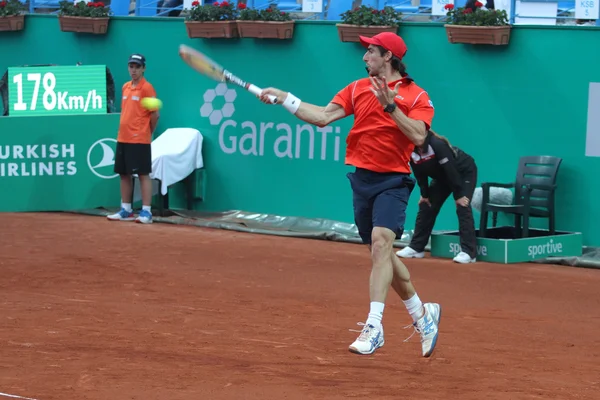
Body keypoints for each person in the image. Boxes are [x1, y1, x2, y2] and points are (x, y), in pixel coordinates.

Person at [258, 32, 441, 358]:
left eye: (370, 51)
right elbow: (323, 117)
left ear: (388, 56)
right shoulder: (357, 88)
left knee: (383, 244)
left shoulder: (416, 95)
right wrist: (285, 98)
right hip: (361, 180)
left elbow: (418, 135)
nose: (364, 56)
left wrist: (389, 107)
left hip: (394, 181)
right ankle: (422, 316)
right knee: (381, 255)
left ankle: (374, 326)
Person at [396, 131, 478, 263]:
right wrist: (425, 195)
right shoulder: (410, 148)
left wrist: (459, 195)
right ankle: (416, 248)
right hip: (443, 177)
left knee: (462, 206)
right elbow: (419, 173)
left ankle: (469, 252)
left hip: (463, 173)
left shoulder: (437, 145)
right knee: (426, 206)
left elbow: (451, 171)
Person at [107, 54, 159, 224]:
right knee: (124, 174)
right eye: (131, 66)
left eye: (137, 67)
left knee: (143, 174)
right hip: (123, 137)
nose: (133, 70)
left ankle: (146, 212)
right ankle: (126, 209)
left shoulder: (147, 88)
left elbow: (155, 115)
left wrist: (147, 132)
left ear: (143, 68)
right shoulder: (125, 87)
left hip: (140, 139)